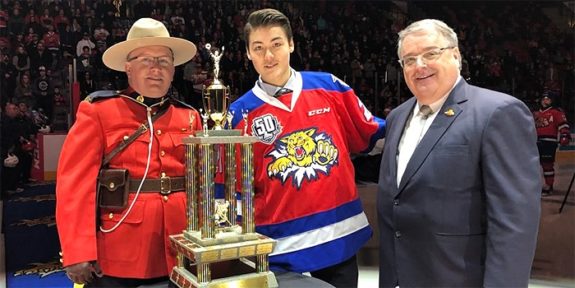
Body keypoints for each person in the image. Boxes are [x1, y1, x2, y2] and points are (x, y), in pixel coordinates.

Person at [377, 19, 541, 287]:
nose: (419, 66)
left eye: (431, 53)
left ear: (456, 55)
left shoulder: (498, 113)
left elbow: (515, 222)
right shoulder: (397, 117)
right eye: (409, 59)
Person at [228, 8, 385, 288]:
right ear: (248, 53)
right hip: (277, 245)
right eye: (258, 48)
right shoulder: (239, 114)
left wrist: (414, 121)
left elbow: (369, 131)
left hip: (338, 234)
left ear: (291, 44)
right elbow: (233, 185)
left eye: (276, 44)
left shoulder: (330, 87)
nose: (269, 56)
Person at [55, 18, 201, 287]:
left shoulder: (189, 116)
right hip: (121, 248)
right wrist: (77, 250)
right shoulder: (99, 111)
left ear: (173, 70)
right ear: (128, 67)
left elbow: (199, 184)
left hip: (180, 245)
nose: (156, 69)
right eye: (146, 60)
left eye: (164, 61)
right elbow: (74, 185)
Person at [533, 94, 571, 195]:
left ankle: (549, 185)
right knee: (533, 164)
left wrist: (565, 135)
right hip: (535, 141)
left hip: (549, 142)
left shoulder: (556, 112)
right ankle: (534, 185)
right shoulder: (536, 113)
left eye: (548, 99)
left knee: (547, 165)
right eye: (543, 99)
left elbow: (563, 124)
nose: (545, 101)